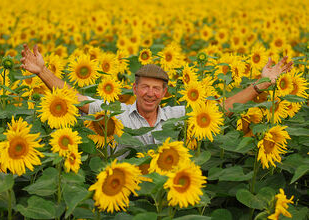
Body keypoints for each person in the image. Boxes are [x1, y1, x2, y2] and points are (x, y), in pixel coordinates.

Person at [20, 44, 293, 146]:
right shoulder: (116, 114)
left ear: (165, 92)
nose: (150, 93)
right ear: (135, 89)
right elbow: (75, 99)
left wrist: (260, 85)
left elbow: (223, 108)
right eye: (145, 87)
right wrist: (42, 72)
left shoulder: (177, 116)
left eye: (156, 88)